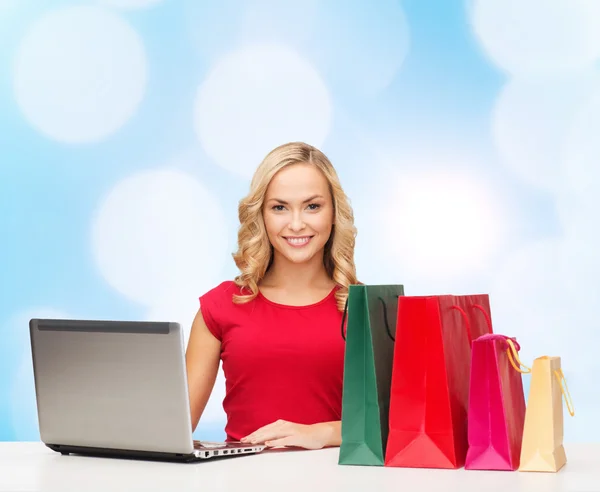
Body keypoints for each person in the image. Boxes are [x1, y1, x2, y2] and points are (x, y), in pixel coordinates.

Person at [185, 141, 358, 450]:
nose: (296, 223)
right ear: (261, 216)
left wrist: (325, 433)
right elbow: (176, 428)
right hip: (241, 479)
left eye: (312, 206)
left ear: (334, 213)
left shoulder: (366, 309)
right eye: (279, 207)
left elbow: (397, 425)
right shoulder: (221, 307)